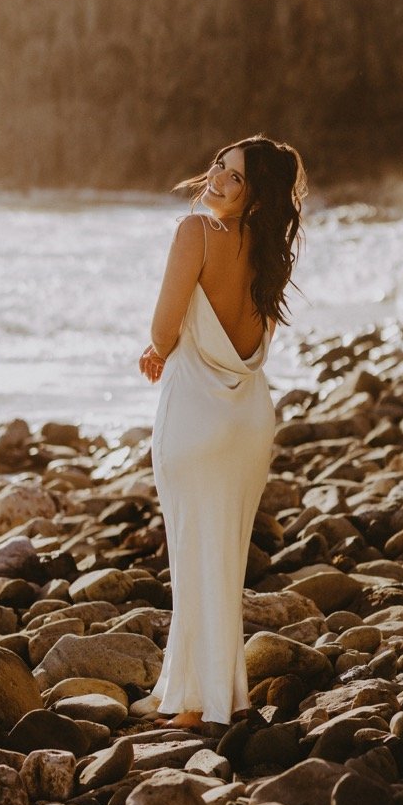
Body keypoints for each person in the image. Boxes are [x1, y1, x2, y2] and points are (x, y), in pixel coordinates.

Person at [137, 134, 307, 728]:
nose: (217, 179)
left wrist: (157, 350)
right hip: (247, 420)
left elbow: (164, 328)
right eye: (218, 165)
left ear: (255, 195)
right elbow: (252, 342)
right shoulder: (267, 252)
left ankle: (200, 701)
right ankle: (193, 690)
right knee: (222, 560)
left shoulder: (195, 234)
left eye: (235, 177)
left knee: (191, 553)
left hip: (194, 416)